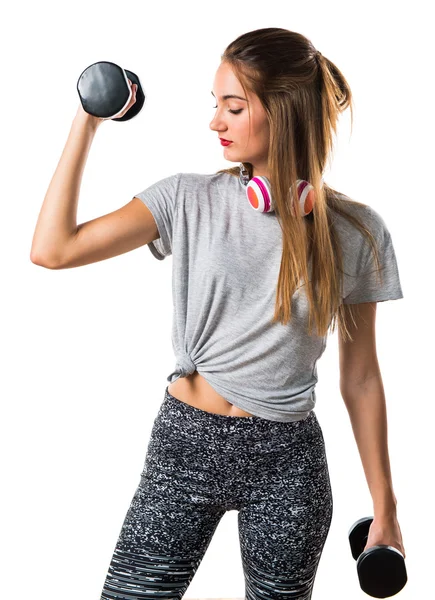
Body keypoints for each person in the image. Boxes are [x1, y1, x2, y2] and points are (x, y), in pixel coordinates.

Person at [31, 27, 406, 600]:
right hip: (185, 443)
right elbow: (53, 250)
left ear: (285, 112)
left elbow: (360, 377)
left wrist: (387, 509)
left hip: (288, 464)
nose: (215, 122)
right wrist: (88, 119)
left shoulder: (356, 232)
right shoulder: (186, 199)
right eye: (216, 105)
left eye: (233, 106)